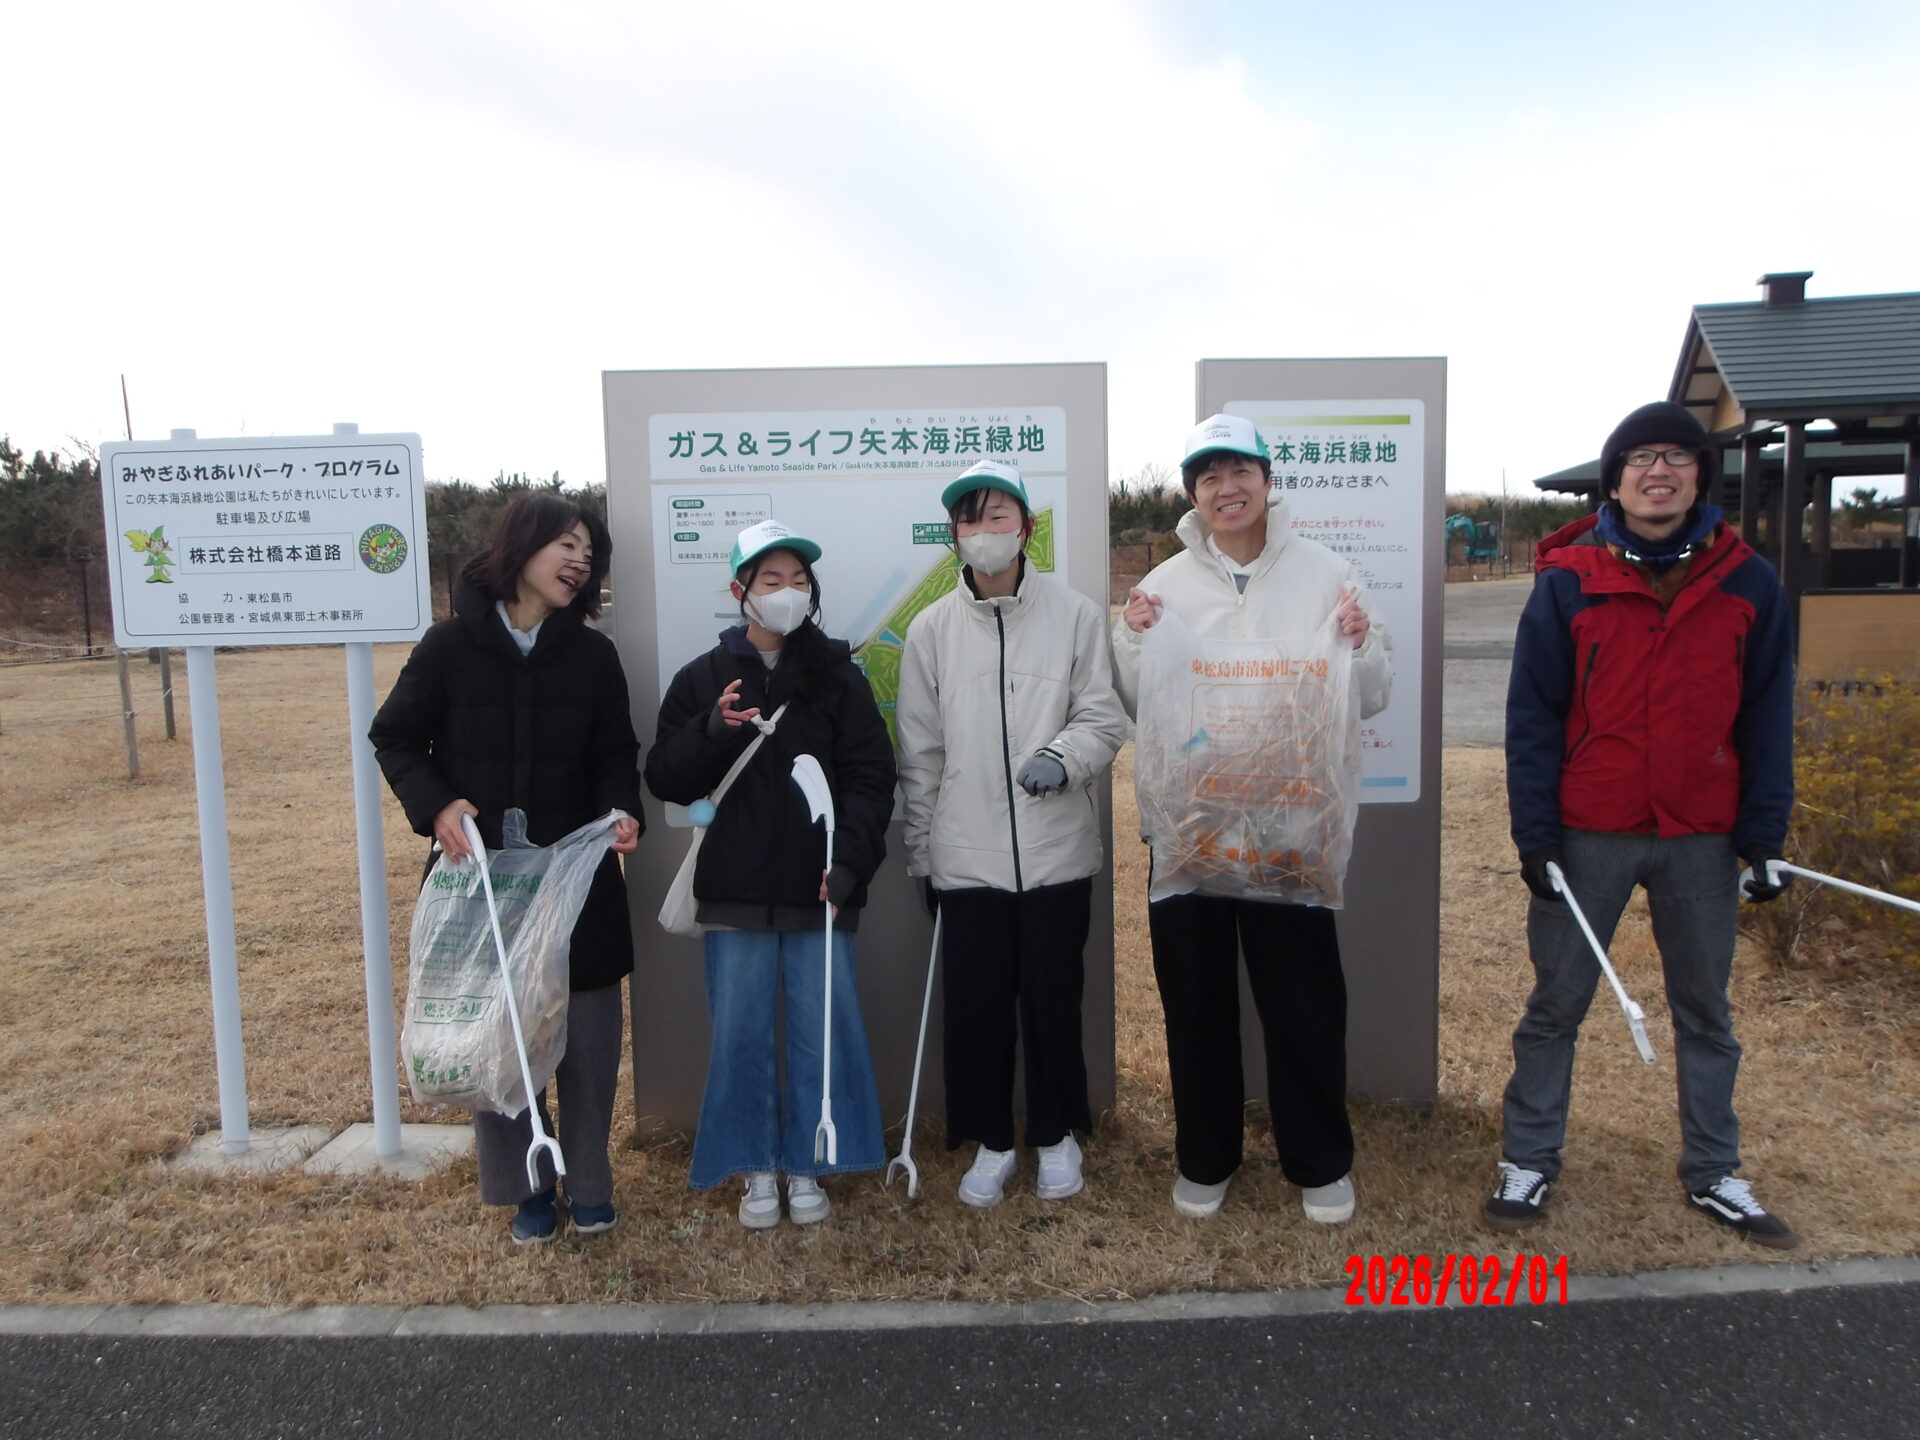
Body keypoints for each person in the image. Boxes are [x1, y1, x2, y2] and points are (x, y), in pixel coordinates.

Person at [1490, 400, 1798, 1247]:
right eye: (1639, 459)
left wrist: (1765, 834)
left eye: (1675, 457)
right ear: (1615, 479)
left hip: (1701, 834)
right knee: (1557, 1003)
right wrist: (1536, 834)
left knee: (1705, 1012)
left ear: (1700, 474)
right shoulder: (1570, 579)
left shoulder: (1748, 582)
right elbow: (1534, 716)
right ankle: (1530, 1158)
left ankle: (1714, 1171)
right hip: (1590, 829)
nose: (1657, 472)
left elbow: (1769, 716)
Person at [1112, 415, 1390, 1224]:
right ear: (1192, 494)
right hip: (1192, 831)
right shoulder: (1162, 587)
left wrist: (1361, 643)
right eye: (1208, 477)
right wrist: (1131, 642)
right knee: (1194, 1004)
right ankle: (1206, 1157)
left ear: (1268, 481)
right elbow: (1138, 702)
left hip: (1291, 830)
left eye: (1240, 472)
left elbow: (1370, 692)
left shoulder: (1328, 572)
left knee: (1303, 1002)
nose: (1225, 489)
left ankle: (1319, 1160)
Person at [371, 493, 643, 1245]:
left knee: (586, 1042)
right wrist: (438, 804)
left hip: (575, 883)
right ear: (520, 548)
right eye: (567, 544)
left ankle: (588, 1185)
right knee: (497, 1040)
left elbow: (615, 754)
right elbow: (394, 739)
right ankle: (528, 1188)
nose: (581, 560)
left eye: (590, 551)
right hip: (481, 885)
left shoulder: (593, 655)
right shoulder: (448, 647)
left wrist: (623, 809)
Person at [644, 520, 896, 1229]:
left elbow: (871, 778)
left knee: (826, 1029)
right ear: (740, 592)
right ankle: (756, 1166)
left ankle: (815, 1158)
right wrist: (713, 731)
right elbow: (663, 776)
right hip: (734, 891)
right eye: (770, 581)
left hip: (821, 891)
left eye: (799, 580)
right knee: (741, 1033)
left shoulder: (837, 676)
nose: (788, 593)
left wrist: (849, 863)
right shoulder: (701, 677)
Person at [896, 459, 1128, 1207]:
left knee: (1055, 1002)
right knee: (978, 1008)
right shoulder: (929, 631)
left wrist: (1063, 759)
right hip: (967, 860)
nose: (985, 532)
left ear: (1026, 528)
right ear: (954, 537)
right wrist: (926, 855)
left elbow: (1104, 715)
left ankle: (1056, 1134)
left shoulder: (1076, 615)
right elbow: (920, 753)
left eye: (999, 517)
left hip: (1058, 853)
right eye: (970, 520)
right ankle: (993, 1141)